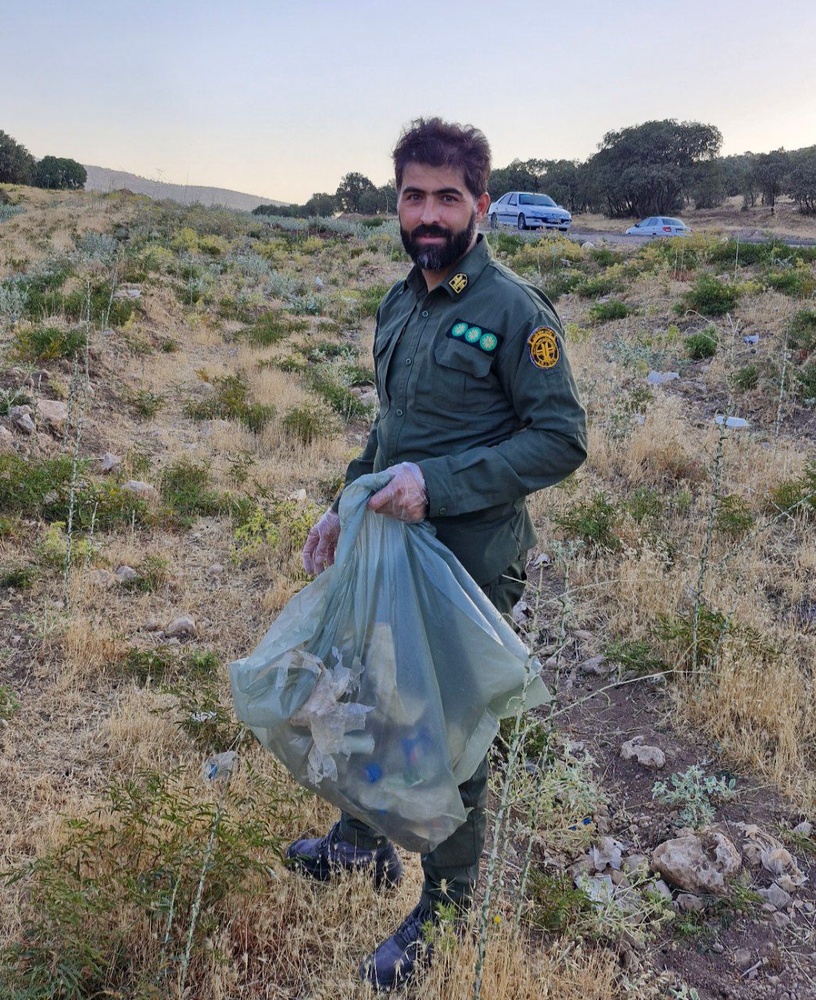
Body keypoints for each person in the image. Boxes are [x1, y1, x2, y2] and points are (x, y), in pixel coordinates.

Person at [287, 117, 587, 990]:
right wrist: (343, 504)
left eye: (446, 197)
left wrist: (440, 486)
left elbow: (560, 440)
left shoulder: (514, 312)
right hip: (386, 551)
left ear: (480, 206)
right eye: (413, 195)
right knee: (363, 692)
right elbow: (391, 429)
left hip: (467, 565)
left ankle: (448, 908)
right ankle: (360, 844)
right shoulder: (400, 301)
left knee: (451, 738)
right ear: (398, 204)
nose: (428, 212)